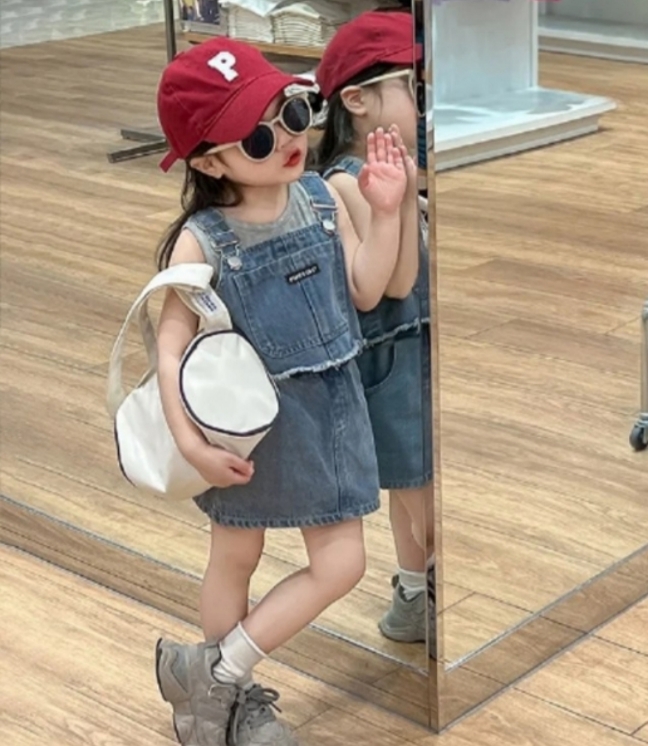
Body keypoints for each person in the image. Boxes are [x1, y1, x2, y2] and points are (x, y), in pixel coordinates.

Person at [152, 37, 411, 745]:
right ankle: (230, 707)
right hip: (251, 434)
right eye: (261, 136)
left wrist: (388, 213)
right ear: (210, 162)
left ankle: (214, 675)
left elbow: (364, 289)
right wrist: (190, 444)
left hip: (332, 418)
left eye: (293, 113)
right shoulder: (203, 241)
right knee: (236, 557)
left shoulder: (323, 199)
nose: (291, 138)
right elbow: (169, 347)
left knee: (343, 564)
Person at [315, 11, 435, 650]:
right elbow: (387, 285)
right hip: (391, 361)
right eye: (411, 88)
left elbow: (406, 277)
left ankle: (413, 597)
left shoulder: (385, 170)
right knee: (422, 494)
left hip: (407, 347)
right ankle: (430, 592)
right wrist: (400, 199)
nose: (422, 103)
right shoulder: (344, 179)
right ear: (357, 101)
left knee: (414, 486)